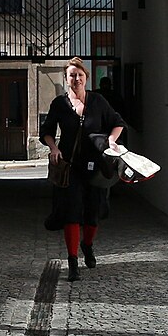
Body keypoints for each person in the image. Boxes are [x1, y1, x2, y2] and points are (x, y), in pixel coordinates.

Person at [40, 57, 125, 282]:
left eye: (80, 75)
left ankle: (87, 245)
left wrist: (111, 140)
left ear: (86, 77)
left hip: (95, 165)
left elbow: (117, 122)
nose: (76, 79)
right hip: (70, 166)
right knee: (71, 212)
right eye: (72, 75)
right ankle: (72, 261)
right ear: (66, 78)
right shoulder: (60, 104)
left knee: (92, 213)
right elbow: (46, 130)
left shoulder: (98, 101)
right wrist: (54, 148)